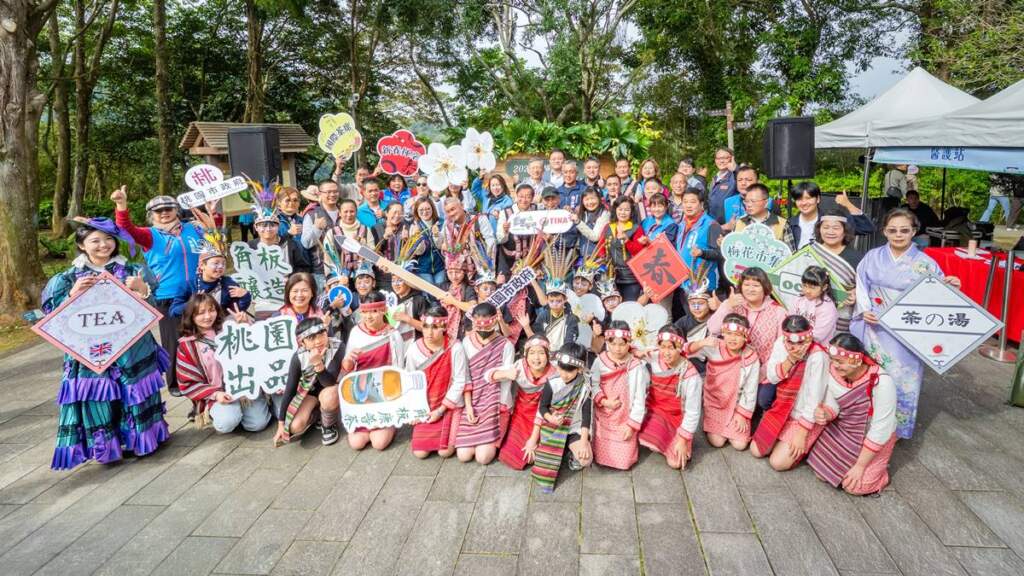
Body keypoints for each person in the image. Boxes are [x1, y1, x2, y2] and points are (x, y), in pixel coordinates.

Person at [44, 217, 170, 469]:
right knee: (97, 396)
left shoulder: (133, 270)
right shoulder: (68, 278)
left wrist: (142, 289)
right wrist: (72, 294)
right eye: (95, 241)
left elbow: (155, 308)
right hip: (89, 350)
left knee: (132, 391)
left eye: (108, 239)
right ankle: (105, 447)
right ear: (82, 245)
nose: (103, 245)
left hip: (131, 346)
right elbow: (51, 316)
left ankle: (138, 440)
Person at [851, 208, 960, 438]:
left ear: (914, 231)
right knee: (872, 375)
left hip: (907, 332)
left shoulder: (926, 263)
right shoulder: (873, 256)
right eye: (892, 230)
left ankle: (897, 430)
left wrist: (949, 286)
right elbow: (861, 284)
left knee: (904, 378)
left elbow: (937, 295)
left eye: (904, 230)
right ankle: (865, 423)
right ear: (884, 231)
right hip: (875, 326)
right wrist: (864, 309)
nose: (898, 235)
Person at [111, 186, 207, 393]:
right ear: (151, 215)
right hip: (167, 295)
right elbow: (125, 229)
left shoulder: (193, 229)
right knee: (174, 341)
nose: (164, 213)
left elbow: (214, 239)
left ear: (177, 210)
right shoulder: (150, 235)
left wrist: (210, 218)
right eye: (158, 211)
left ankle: (205, 377)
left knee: (203, 337)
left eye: (168, 209)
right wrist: (121, 205)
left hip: (198, 291)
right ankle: (176, 383)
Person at [805, 333, 898, 495]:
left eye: (840, 362)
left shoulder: (882, 382)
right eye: (832, 360)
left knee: (854, 487)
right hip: (845, 427)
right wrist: (826, 413)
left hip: (872, 435)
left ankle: (880, 475)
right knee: (821, 474)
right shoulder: (834, 370)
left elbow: (881, 428)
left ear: (857, 361)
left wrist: (860, 466)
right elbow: (833, 402)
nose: (835, 365)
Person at [177, 293, 272, 434]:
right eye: (201, 313)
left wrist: (244, 326)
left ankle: (245, 411)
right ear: (191, 316)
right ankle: (228, 413)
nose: (208, 316)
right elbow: (187, 383)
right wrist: (215, 394)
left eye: (211, 310)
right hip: (218, 394)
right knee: (227, 422)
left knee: (258, 424)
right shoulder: (187, 346)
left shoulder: (230, 329)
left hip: (244, 386)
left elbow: (257, 349)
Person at [749, 315, 828, 470]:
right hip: (782, 407)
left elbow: (814, 399)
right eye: (790, 342)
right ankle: (781, 440)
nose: (795, 347)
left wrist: (802, 434)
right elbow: (772, 377)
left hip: (803, 417)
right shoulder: (781, 343)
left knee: (777, 463)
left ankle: (802, 443)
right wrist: (791, 360)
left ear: (809, 338)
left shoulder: (818, 356)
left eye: (801, 342)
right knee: (756, 451)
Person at [341, 291, 407, 450]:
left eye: (374, 311)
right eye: (365, 312)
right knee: (356, 443)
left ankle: (391, 424)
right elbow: (347, 368)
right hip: (361, 393)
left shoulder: (393, 335)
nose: (368, 317)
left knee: (379, 443)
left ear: (384, 310)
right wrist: (349, 358)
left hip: (385, 392)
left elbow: (398, 371)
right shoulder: (356, 332)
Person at [453, 303, 516, 464]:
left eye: (486, 323)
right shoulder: (466, 342)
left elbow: (506, 380)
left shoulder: (506, 345)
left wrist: (500, 406)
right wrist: (468, 406)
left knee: (483, 458)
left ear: (494, 321)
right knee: (463, 455)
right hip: (472, 399)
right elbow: (464, 376)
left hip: (494, 402)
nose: (482, 328)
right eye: (478, 323)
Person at [525, 343, 593, 492]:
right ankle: (561, 450)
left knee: (585, 460)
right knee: (533, 459)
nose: (564, 374)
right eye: (561, 368)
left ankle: (569, 453)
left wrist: (583, 442)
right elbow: (543, 407)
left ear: (579, 369)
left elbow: (586, 415)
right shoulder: (552, 382)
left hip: (574, 428)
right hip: (554, 427)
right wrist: (550, 418)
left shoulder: (585, 385)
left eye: (570, 371)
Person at [687, 314, 759, 450]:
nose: (732, 338)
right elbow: (684, 350)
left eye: (737, 335)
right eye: (729, 334)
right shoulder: (714, 346)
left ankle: (735, 420)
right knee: (717, 442)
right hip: (715, 402)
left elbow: (751, 388)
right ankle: (709, 420)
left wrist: (742, 414)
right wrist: (701, 343)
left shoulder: (751, 356)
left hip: (737, 403)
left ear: (745, 337)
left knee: (740, 445)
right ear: (723, 334)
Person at [404, 306, 469, 459]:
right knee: (420, 453)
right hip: (426, 405)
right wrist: (414, 410)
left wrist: (441, 410)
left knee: (445, 452)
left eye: (435, 328)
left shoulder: (455, 347)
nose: (429, 332)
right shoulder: (414, 349)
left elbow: (460, 380)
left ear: (444, 327)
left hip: (449, 405)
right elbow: (410, 380)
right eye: (426, 327)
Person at [708, 267, 787, 390]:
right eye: (746, 285)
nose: (750, 289)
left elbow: (781, 348)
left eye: (755, 285)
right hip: (731, 368)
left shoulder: (779, 311)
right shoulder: (734, 304)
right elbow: (713, 329)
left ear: (765, 287)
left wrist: (759, 374)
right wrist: (727, 305)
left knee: (762, 398)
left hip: (764, 372)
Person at [639, 326, 702, 469]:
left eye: (671, 348)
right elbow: (627, 351)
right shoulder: (654, 356)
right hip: (654, 410)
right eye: (663, 347)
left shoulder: (690, 375)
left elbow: (693, 412)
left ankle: (667, 439)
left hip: (677, 418)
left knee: (675, 462)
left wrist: (683, 439)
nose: (666, 353)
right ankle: (656, 435)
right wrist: (639, 352)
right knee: (646, 440)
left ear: (680, 348)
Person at [274, 318, 344, 445]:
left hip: (331, 389)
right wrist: (281, 424)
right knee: (295, 427)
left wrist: (318, 364)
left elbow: (329, 382)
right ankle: (318, 414)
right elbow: (290, 389)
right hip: (311, 392)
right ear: (303, 343)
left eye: (321, 334)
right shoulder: (298, 357)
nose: (318, 341)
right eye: (311, 338)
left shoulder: (337, 347)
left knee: (329, 396)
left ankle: (328, 425)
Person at [589, 321, 649, 470]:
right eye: (613, 344)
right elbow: (593, 385)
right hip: (604, 414)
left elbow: (639, 398)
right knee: (600, 457)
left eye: (622, 344)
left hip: (625, 418)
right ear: (607, 342)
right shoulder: (600, 361)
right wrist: (604, 401)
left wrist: (632, 426)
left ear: (629, 342)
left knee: (625, 461)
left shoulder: (635, 366)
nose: (617, 348)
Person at [496, 335, 557, 470]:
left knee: (534, 456)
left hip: (542, 413)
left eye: (541, 353)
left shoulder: (554, 374)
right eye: (532, 353)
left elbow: (543, 407)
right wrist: (504, 374)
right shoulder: (519, 366)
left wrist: (533, 439)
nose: (536, 358)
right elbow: (489, 375)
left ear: (548, 355)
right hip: (521, 410)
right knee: (511, 455)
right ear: (526, 355)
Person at [169, 236, 251, 320]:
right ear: (202, 265)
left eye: (223, 263)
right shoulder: (189, 285)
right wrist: (193, 302)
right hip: (197, 325)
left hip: (221, 323)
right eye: (216, 263)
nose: (220, 267)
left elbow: (237, 310)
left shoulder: (228, 283)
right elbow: (174, 312)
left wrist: (245, 296)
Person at [809, 208, 863, 333]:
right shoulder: (809, 252)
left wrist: (855, 292)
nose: (830, 232)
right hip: (811, 314)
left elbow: (865, 286)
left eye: (836, 228)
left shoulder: (857, 257)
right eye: (826, 227)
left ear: (845, 231)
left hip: (842, 317)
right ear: (819, 229)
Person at [521, 249, 580, 351]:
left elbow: (569, 343)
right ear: (547, 300)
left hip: (563, 355)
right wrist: (526, 327)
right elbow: (536, 341)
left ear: (565, 299)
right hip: (545, 354)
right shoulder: (543, 316)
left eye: (559, 301)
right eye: (552, 301)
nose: (555, 304)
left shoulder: (571, 318)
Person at [787, 182, 873, 250]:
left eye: (808, 198)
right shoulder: (789, 224)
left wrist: (848, 205)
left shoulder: (831, 219)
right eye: (799, 199)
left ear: (818, 199)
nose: (804, 203)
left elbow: (866, 228)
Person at [675, 187, 722, 295]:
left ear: (701, 204)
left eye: (692, 202)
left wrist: (702, 253)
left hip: (703, 285)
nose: (688, 205)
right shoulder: (681, 225)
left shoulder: (711, 225)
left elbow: (719, 254)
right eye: (685, 202)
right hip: (682, 283)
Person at [250, 197, 312, 275]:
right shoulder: (250, 247)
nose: (268, 229)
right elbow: (245, 271)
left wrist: (292, 278)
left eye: (272, 225)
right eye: (263, 225)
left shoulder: (290, 244)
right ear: (256, 227)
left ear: (278, 226)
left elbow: (303, 267)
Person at [436, 197, 496, 277]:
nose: (451, 213)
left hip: (483, 267)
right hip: (462, 272)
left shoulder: (478, 219)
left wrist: (489, 262)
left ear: (462, 205)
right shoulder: (448, 226)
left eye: (453, 209)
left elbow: (490, 241)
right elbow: (441, 245)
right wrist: (439, 239)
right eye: (448, 212)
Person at [301, 180, 343, 285]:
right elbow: (306, 243)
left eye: (335, 191)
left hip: (345, 269)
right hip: (321, 271)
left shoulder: (345, 212)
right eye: (328, 192)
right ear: (320, 194)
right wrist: (317, 228)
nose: (332, 195)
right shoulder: (312, 214)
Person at [602, 196, 644, 301]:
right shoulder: (608, 227)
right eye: (620, 209)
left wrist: (627, 241)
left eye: (627, 210)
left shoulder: (636, 228)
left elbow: (640, 252)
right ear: (615, 210)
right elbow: (601, 248)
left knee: (630, 307)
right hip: (612, 278)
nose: (623, 213)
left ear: (632, 212)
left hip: (631, 278)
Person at [791, 266, 838, 344]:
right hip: (795, 341)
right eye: (804, 285)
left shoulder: (828, 308)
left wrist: (796, 339)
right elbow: (790, 320)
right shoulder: (799, 299)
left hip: (817, 347)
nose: (807, 291)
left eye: (812, 287)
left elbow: (817, 336)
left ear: (824, 287)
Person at [410, 196, 446, 288]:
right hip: (423, 268)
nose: (425, 212)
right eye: (421, 210)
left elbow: (440, 246)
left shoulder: (441, 223)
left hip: (440, 266)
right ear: (417, 211)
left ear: (432, 209)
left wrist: (436, 235)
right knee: (428, 292)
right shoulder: (415, 226)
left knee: (441, 290)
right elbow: (418, 252)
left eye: (428, 209)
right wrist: (417, 237)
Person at [574, 187, 610, 261]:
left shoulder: (604, 214)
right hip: (583, 257)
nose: (590, 202)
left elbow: (595, 237)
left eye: (593, 198)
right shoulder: (583, 214)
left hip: (597, 258)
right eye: (586, 199)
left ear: (599, 199)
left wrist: (578, 222)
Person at [708, 147, 738, 223]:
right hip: (714, 222)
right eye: (718, 158)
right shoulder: (715, 178)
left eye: (725, 158)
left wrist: (736, 169)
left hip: (729, 223)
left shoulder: (735, 176)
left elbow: (748, 185)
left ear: (732, 159)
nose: (721, 161)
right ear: (715, 160)